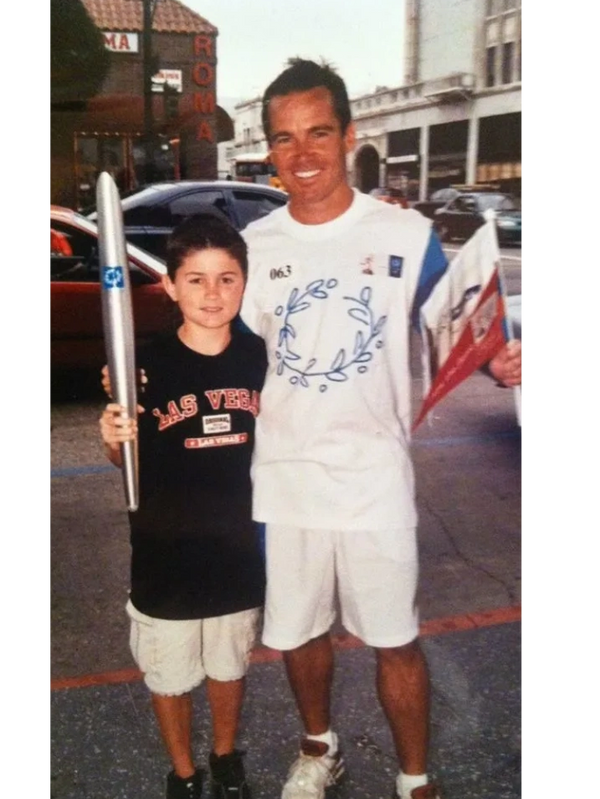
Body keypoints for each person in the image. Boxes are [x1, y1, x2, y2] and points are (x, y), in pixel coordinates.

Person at [237, 59, 525, 799]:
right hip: (285, 479)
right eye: (284, 139)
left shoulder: (406, 232)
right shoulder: (255, 244)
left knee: (396, 637)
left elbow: (459, 327)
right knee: (298, 632)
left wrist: (501, 359)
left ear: (348, 135)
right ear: (268, 149)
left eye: (318, 134)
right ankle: (317, 747)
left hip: (374, 479)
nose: (302, 155)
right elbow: (222, 355)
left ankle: (415, 778)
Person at [99, 213, 267, 799]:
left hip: (237, 551)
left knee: (229, 665)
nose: (212, 293)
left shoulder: (259, 358)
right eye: (195, 279)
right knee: (169, 675)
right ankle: (184, 772)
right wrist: (113, 438)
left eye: (226, 278)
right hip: (165, 552)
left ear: (245, 281)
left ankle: (223, 758)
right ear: (169, 285)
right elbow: (128, 463)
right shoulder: (141, 368)